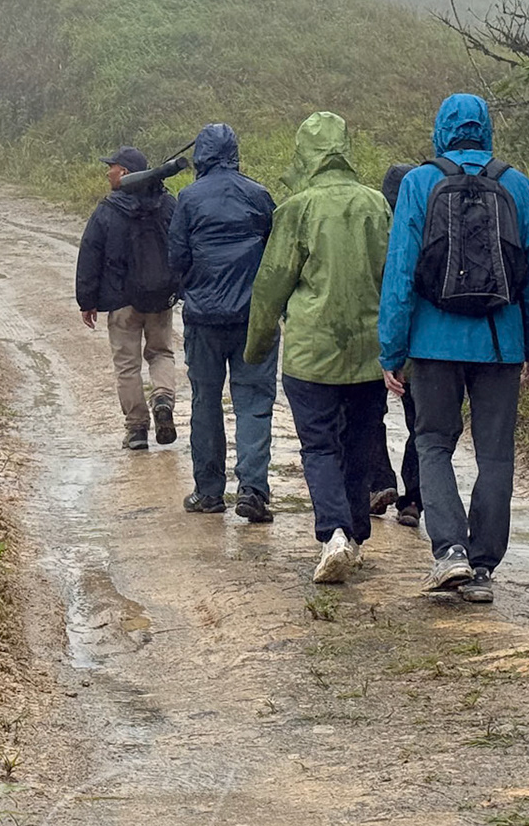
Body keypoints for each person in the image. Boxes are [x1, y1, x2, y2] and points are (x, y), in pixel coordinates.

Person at [378, 94, 529, 606]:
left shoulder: (419, 183)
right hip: (500, 343)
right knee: (496, 455)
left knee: (433, 442)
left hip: (434, 343)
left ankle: (449, 550)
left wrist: (392, 349)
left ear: (441, 130)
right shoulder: (516, 185)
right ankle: (483, 569)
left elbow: (401, 273)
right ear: (486, 130)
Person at [246, 112, 390, 584]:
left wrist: (258, 346)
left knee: (320, 445)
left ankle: (334, 533)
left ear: (303, 153)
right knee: (360, 441)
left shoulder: (296, 210)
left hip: (311, 355)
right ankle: (356, 536)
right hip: (371, 352)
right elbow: (395, 277)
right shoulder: (377, 205)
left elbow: (271, 287)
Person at [168, 123, 278, 522]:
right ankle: (253, 490)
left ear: (200, 155)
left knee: (206, 401)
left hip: (203, 319)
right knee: (253, 402)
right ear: (234, 152)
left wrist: (191, 290)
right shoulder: (259, 194)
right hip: (253, 318)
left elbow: (176, 258)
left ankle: (208, 492)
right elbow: (275, 255)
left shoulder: (189, 199)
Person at [76, 146, 183, 450]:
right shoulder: (168, 204)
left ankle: (137, 430)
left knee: (127, 364)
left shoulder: (108, 209)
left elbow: (90, 254)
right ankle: (163, 398)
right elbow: (181, 245)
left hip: (123, 301)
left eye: (111, 167)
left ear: (123, 172)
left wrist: (88, 300)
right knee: (161, 353)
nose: (107, 171)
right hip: (160, 298)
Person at [368, 163, 423, 531]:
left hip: (374, 337)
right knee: (419, 422)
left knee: (370, 415)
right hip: (419, 340)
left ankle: (380, 481)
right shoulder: (425, 223)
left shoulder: (372, 227)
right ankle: (414, 500)